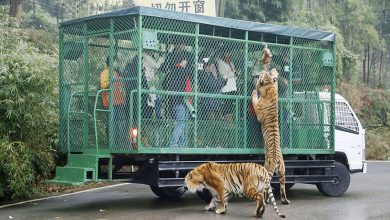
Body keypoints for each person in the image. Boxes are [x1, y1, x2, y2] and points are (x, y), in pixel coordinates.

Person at [162, 49, 193, 148]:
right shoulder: (183, 71)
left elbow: (164, 84)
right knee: (181, 124)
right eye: (185, 60)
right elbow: (186, 87)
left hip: (172, 102)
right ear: (182, 61)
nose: (186, 62)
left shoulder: (171, 71)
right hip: (181, 101)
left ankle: (182, 144)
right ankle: (174, 143)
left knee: (180, 123)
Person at [100, 57, 126, 149]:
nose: (117, 64)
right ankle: (110, 144)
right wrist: (112, 80)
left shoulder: (117, 73)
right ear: (111, 62)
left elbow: (121, 87)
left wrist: (123, 99)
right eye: (116, 61)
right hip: (110, 102)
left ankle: (117, 144)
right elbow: (103, 85)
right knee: (110, 123)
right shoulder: (105, 72)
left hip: (118, 103)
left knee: (117, 123)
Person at [217, 52, 238, 121]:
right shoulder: (220, 62)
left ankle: (230, 119)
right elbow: (223, 75)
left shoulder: (231, 63)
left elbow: (234, 72)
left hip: (233, 86)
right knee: (227, 104)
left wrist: (233, 73)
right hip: (226, 86)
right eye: (227, 54)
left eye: (229, 54)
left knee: (231, 103)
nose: (229, 55)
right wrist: (232, 74)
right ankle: (227, 120)